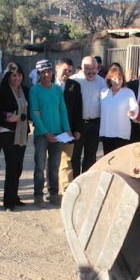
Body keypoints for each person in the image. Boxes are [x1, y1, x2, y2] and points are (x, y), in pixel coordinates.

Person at [29, 59, 72, 207]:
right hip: (42, 135)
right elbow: (35, 113)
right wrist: (46, 132)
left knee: (55, 165)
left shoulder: (57, 89)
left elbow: (62, 110)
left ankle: (53, 193)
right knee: (40, 166)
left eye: (48, 71)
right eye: (43, 72)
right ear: (39, 74)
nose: (46, 74)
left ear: (52, 71)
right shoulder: (34, 90)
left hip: (59, 133)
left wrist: (66, 128)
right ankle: (38, 195)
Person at [0, 62, 31, 211]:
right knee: (11, 165)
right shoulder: (1, 90)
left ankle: (14, 196)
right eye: (13, 75)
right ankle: (8, 202)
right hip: (7, 131)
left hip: (22, 132)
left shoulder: (26, 90)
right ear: (8, 76)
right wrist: (7, 116)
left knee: (19, 166)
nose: (16, 78)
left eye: (19, 75)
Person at [71, 56, 108, 172]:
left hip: (94, 124)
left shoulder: (102, 82)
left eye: (94, 68)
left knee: (91, 156)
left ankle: (87, 184)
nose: (91, 71)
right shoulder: (73, 81)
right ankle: (76, 184)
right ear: (82, 67)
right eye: (88, 68)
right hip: (78, 125)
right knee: (74, 156)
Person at [55, 58, 83, 193]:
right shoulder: (46, 85)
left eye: (70, 71)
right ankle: (52, 190)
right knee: (53, 161)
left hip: (68, 130)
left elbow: (78, 109)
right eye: (65, 70)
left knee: (66, 160)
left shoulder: (74, 86)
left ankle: (66, 189)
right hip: (51, 130)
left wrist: (77, 129)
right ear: (57, 68)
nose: (67, 73)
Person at [100, 65, 138, 155]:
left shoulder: (128, 92)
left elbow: (135, 107)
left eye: (120, 79)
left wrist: (132, 112)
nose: (117, 81)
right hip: (107, 132)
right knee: (108, 158)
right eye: (115, 78)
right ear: (110, 79)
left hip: (121, 132)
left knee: (120, 159)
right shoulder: (104, 92)